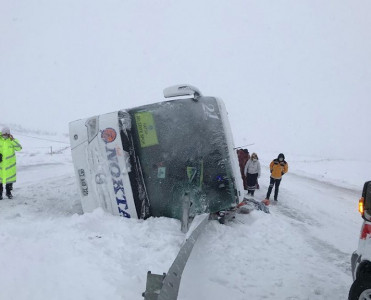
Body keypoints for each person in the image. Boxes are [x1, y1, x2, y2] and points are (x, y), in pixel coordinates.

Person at [0, 127, 22, 199]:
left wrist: (12, 140)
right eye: (4, 134)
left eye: (7, 134)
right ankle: (0, 194)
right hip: (1, 164)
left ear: (9, 134)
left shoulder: (12, 140)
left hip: (10, 165)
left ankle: (8, 193)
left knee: (9, 180)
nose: (5, 135)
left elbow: (19, 148)